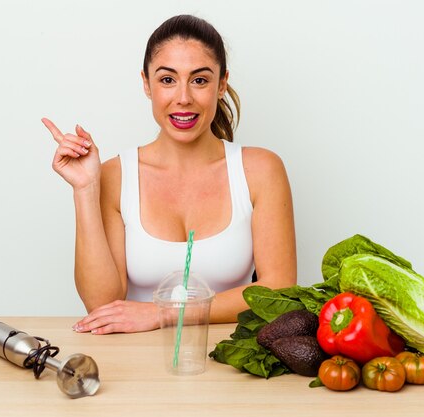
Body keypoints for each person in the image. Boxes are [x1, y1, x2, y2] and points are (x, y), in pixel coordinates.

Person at [42, 14, 296, 334]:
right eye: (167, 80)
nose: (183, 98)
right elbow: (102, 304)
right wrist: (85, 189)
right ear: (146, 84)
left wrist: (164, 313)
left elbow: (279, 289)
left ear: (222, 84)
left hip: (230, 362)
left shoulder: (260, 170)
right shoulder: (115, 176)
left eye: (200, 80)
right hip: (134, 365)